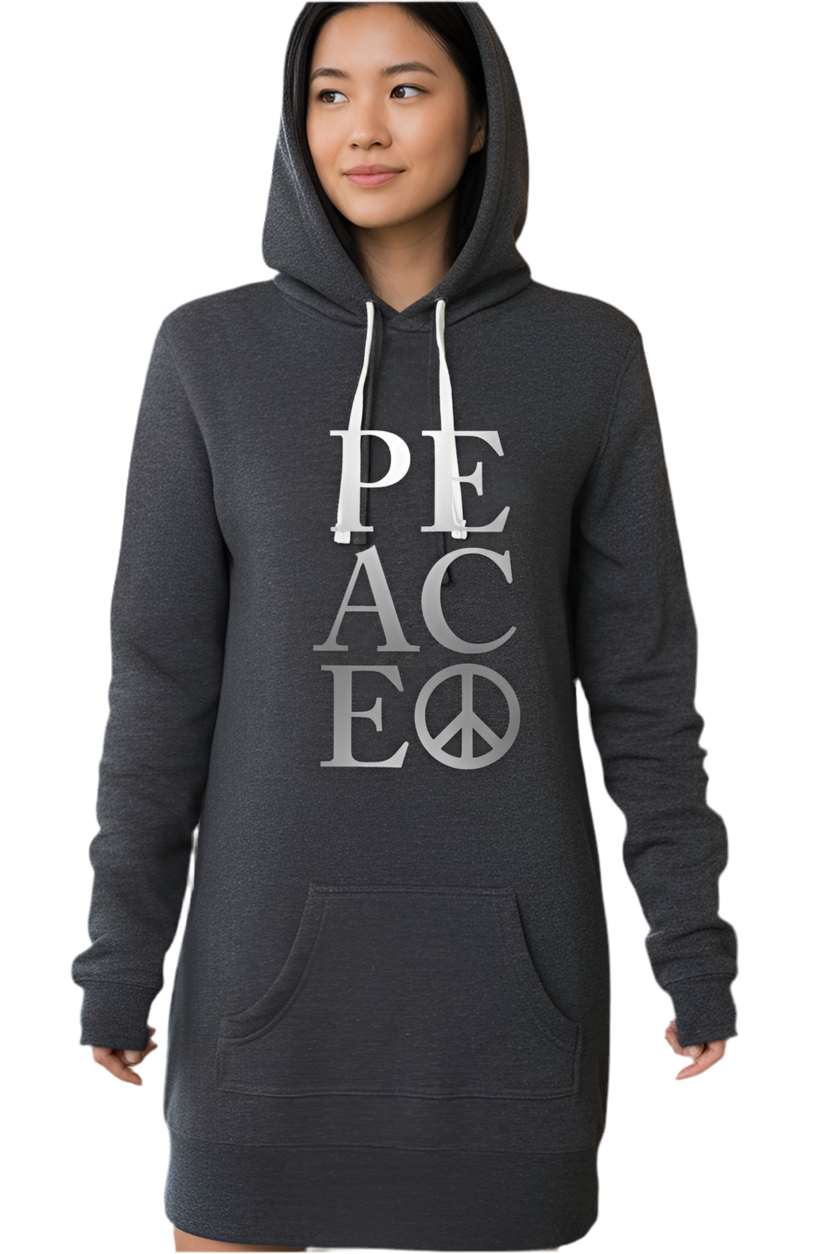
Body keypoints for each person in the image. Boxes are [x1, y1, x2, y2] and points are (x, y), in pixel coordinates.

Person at [72, 3, 739, 1251]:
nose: (361, 129)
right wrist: (121, 956)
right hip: (261, 994)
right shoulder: (210, 354)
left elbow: (643, 681)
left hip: (509, 1007)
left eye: (406, 88)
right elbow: (160, 684)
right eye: (329, 93)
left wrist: (690, 945)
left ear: (481, 117)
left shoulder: (586, 357)